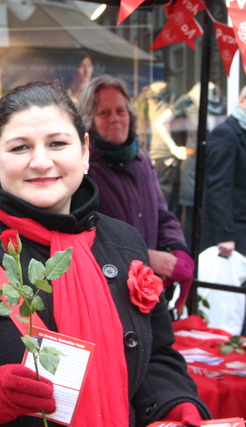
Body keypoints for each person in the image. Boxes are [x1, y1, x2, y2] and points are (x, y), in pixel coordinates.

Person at [0, 81, 210, 426]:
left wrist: (173, 403)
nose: (41, 161)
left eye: (58, 143)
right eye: (20, 148)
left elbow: (157, 357)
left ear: (85, 151)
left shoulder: (124, 242)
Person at [78, 75, 195, 315]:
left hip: (147, 290)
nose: (115, 119)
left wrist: (178, 249)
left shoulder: (141, 159)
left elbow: (162, 215)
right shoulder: (83, 168)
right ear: (90, 120)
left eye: (120, 111)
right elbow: (83, 236)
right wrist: (146, 256)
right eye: (104, 113)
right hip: (106, 295)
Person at [200, 84, 246, 338]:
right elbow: (219, 187)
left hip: (244, 232)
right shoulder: (226, 135)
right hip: (232, 235)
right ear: (240, 101)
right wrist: (225, 234)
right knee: (242, 298)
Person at [153, 82, 226, 247]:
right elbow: (159, 123)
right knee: (191, 210)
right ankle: (188, 251)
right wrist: (174, 148)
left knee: (212, 206)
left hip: (214, 163)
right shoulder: (189, 101)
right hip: (192, 163)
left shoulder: (219, 103)